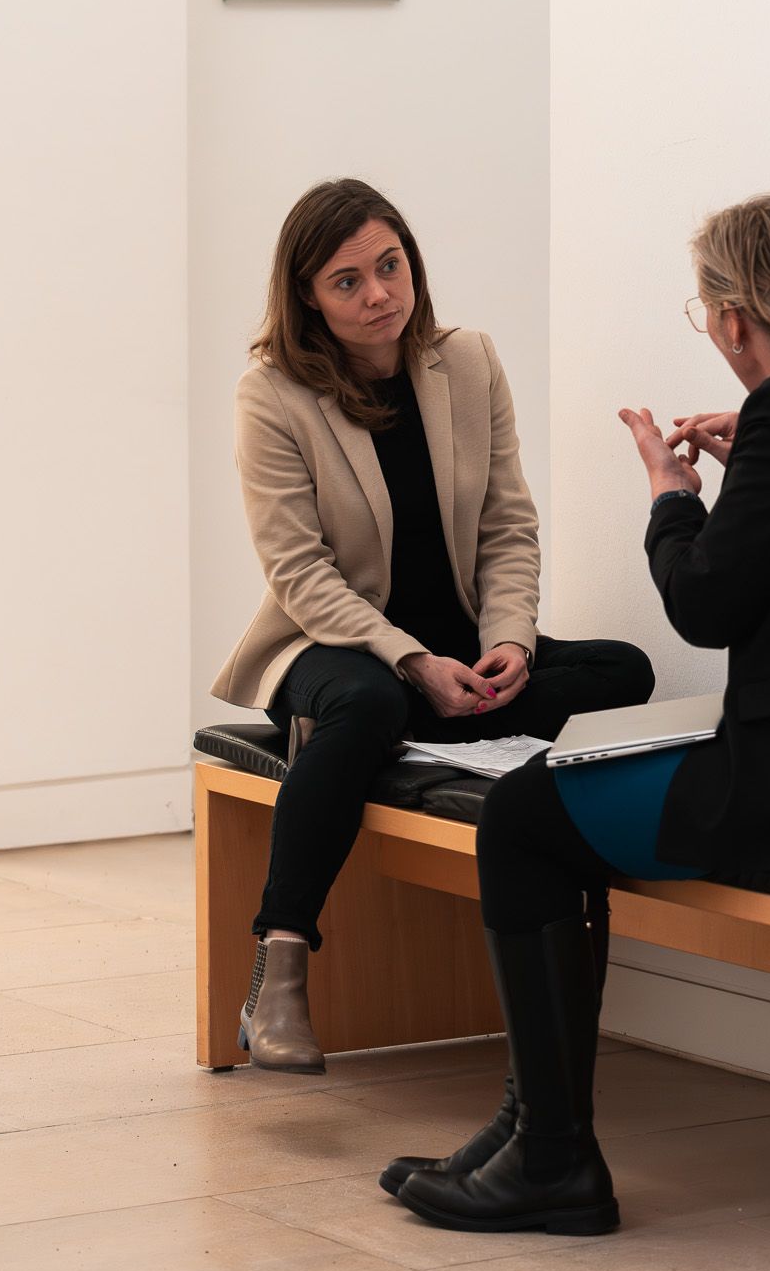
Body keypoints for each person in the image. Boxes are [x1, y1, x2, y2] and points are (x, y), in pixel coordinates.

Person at [386, 193, 770, 1236]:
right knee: (559, 799)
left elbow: (703, 605)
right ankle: (524, 1128)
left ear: (731, 317)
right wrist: (757, 468)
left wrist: (670, 496)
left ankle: (549, 1155)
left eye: (705, 312)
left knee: (523, 818)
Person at [212, 178, 654, 1074]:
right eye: (347, 281)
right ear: (307, 296)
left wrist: (509, 643)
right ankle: (280, 971)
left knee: (624, 671)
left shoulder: (469, 361)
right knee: (369, 703)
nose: (378, 294)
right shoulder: (272, 395)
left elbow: (506, 525)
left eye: (390, 266)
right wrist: (412, 661)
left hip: (455, 640)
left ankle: (390, 738)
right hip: (332, 645)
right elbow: (299, 573)